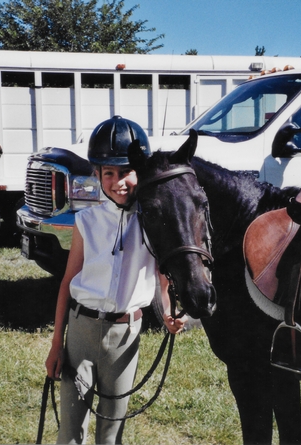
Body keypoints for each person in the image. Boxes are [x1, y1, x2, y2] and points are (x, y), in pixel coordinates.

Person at [45, 116, 186, 444]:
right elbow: (67, 282)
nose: (117, 181)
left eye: (125, 172)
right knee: (69, 431)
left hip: (125, 338)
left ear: (140, 172)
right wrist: (56, 344)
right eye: (109, 173)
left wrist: (166, 314)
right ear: (97, 175)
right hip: (80, 332)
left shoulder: (152, 223)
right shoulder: (86, 221)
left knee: (111, 433)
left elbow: (161, 281)